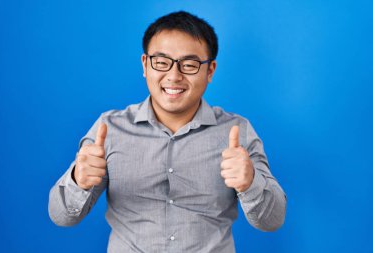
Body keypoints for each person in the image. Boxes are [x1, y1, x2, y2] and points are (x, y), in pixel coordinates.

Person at [48, 10, 286, 253]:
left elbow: (273, 220)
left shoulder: (237, 131)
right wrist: (79, 180)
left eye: (189, 65)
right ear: (145, 65)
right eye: (161, 62)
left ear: (210, 70)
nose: (174, 76)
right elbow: (61, 216)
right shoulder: (109, 128)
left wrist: (250, 183)